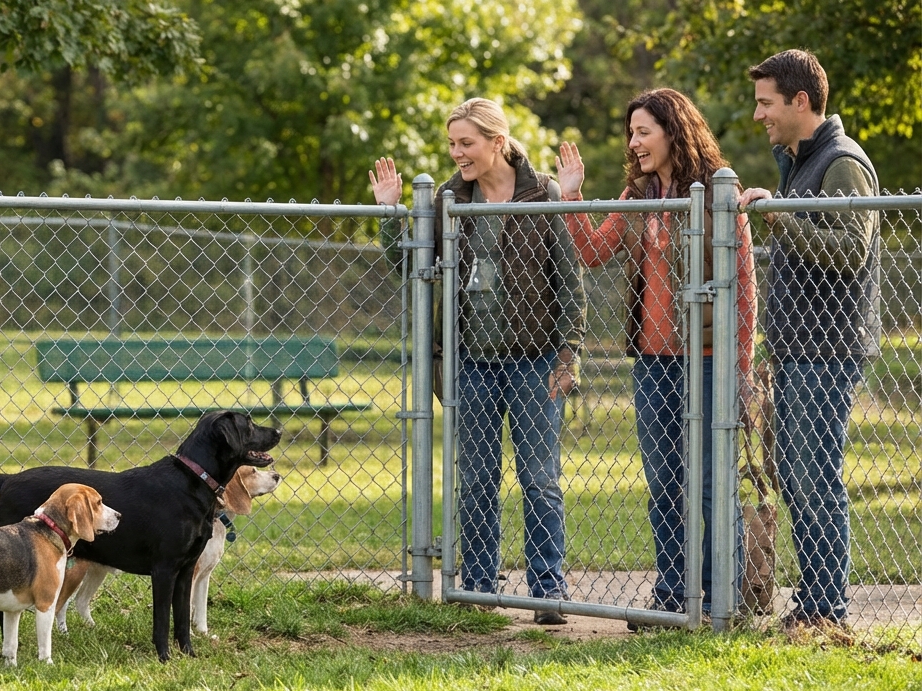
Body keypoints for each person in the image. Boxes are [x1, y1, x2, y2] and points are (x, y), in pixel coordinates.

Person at [370, 98, 586, 625]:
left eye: (465, 142)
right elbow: (407, 263)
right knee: (479, 477)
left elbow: (571, 281)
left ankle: (547, 590)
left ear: (497, 141)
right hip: (471, 363)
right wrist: (389, 213)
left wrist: (569, 352)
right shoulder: (447, 199)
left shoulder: (543, 195)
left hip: (535, 363)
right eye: (451, 143)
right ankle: (482, 588)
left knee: (539, 477)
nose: (456, 153)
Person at [556, 88, 756, 626]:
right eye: (631, 132)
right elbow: (593, 252)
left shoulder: (718, 191)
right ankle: (672, 595)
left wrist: (742, 368)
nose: (634, 141)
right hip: (654, 362)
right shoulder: (639, 193)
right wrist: (571, 197)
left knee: (713, 482)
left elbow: (744, 284)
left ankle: (721, 598)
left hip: (712, 359)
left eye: (644, 130)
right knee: (664, 481)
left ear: (674, 131)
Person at [738, 49, 880, 629]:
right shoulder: (796, 158)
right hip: (796, 346)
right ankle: (814, 606)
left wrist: (781, 215)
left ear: (802, 101)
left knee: (815, 475)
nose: (757, 115)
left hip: (830, 348)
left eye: (765, 103)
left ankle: (828, 610)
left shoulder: (843, 162)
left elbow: (852, 250)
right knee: (795, 476)